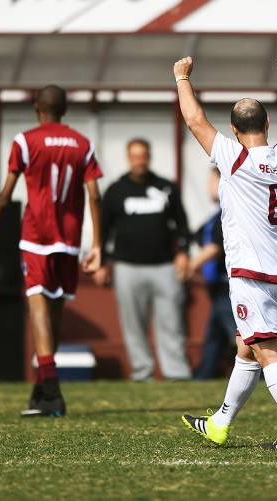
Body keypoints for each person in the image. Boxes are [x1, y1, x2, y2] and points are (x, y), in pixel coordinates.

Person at [178, 53, 277, 451]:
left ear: (234, 131)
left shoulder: (234, 158)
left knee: (267, 351)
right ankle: (221, 422)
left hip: (251, 275)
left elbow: (194, 121)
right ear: (268, 124)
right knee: (248, 347)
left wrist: (181, 79)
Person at [0, 85, 103, 417]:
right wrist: (98, 244)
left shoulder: (25, 141)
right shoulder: (82, 144)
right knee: (55, 310)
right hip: (69, 238)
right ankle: (41, 390)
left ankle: (52, 389)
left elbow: (6, 194)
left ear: (37, 108)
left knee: (37, 307)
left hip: (36, 236)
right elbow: (94, 195)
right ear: (64, 110)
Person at [95, 138, 192, 381]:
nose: (139, 160)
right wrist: (101, 263)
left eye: (143, 156)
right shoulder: (115, 191)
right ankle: (142, 372)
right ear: (129, 158)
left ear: (149, 157)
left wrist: (182, 252)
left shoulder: (166, 187)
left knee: (171, 323)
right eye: (135, 156)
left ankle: (176, 372)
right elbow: (103, 231)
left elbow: (182, 225)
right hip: (127, 267)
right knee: (133, 325)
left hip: (164, 267)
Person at [189, 167, 237, 380]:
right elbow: (198, 237)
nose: (207, 186)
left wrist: (191, 264)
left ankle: (266, 373)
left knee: (239, 336)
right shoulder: (214, 217)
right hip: (216, 288)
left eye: (211, 181)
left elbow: (216, 247)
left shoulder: (230, 213)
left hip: (228, 286)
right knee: (214, 336)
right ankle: (204, 375)